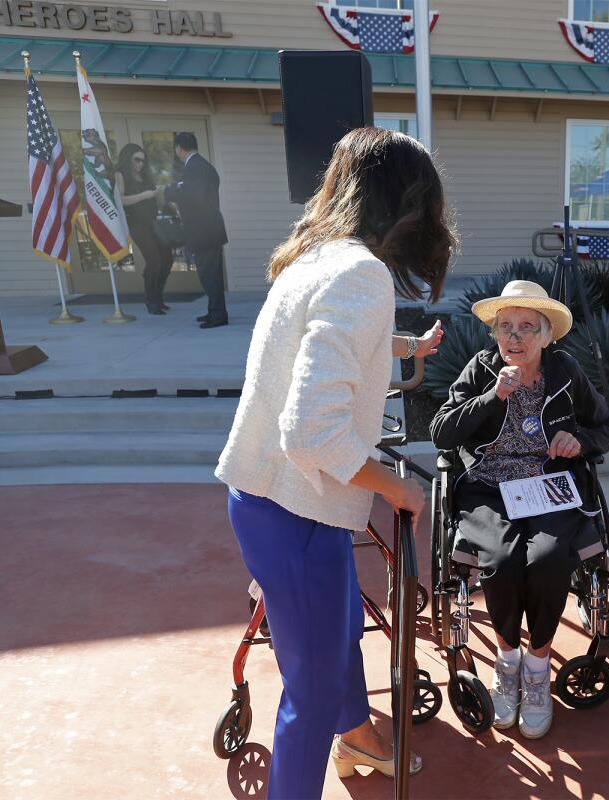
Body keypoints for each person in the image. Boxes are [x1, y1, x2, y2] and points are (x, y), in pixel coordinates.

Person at [216, 126, 456, 799]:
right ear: (406, 206)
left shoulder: (319, 260)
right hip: (296, 508)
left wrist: (405, 346)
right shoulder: (362, 273)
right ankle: (333, 747)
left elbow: (329, 349)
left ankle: (358, 742)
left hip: (276, 503)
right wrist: (398, 489)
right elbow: (312, 430)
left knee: (339, 630)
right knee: (311, 693)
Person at [429, 280, 609, 740]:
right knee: (501, 561)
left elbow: (606, 425)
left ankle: (537, 667)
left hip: (549, 484)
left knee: (549, 559)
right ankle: (507, 659)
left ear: (546, 335)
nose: (514, 338)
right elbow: (441, 432)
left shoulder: (565, 370)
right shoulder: (482, 369)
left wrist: (580, 442)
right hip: (488, 488)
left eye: (526, 328)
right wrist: (492, 396)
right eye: (505, 327)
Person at [163, 132, 229, 328]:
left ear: (179, 149)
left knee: (209, 276)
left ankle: (218, 316)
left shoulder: (194, 167)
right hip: (210, 229)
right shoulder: (203, 166)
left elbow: (194, 197)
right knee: (211, 275)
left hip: (204, 230)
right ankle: (214, 311)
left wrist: (170, 192)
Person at [114, 144, 173, 315]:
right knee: (153, 260)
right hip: (136, 224)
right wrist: (144, 195)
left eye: (142, 160)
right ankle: (151, 300)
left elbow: (155, 197)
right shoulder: (121, 174)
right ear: (128, 158)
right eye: (136, 159)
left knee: (167, 258)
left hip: (152, 221)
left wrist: (160, 196)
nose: (140, 164)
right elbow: (121, 200)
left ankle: (158, 297)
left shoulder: (145, 176)